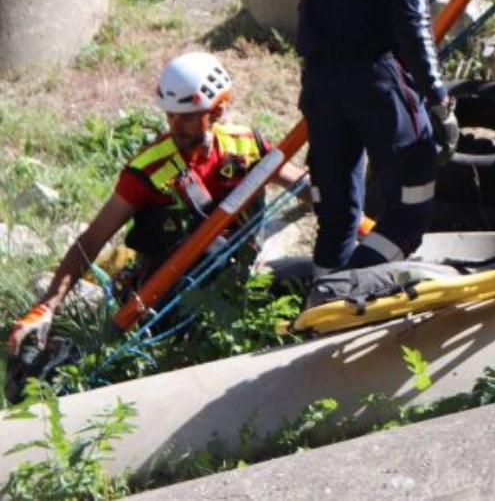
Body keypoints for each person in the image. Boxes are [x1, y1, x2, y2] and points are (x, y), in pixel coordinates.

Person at [7, 52, 308, 356]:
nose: (176, 125)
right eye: (170, 115)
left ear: (217, 111)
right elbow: (94, 238)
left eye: (188, 116)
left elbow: (300, 184)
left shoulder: (245, 144)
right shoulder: (147, 171)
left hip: (243, 278)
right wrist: (46, 306)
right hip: (169, 300)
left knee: (316, 277)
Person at [296, 0, 465, 276]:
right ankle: (352, 287)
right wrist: (438, 100)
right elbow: (412, 20)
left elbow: (309, 5)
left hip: (318, 80)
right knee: (414, 203)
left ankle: (322, 309)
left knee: (335, 216)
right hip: (376, 81)